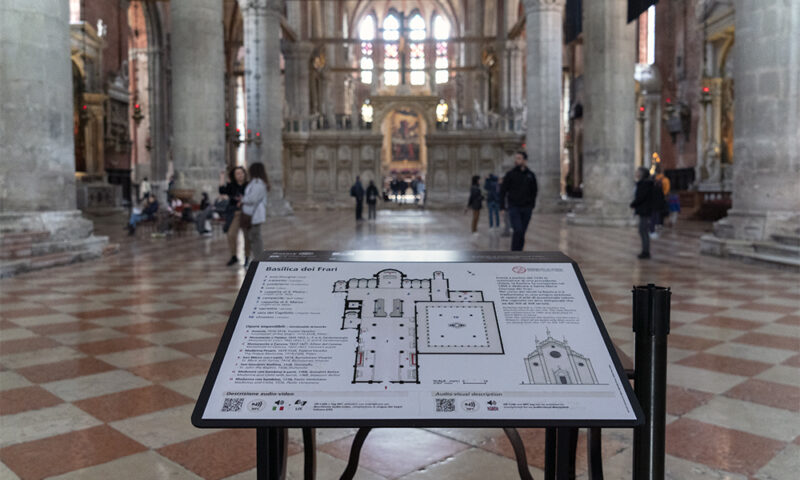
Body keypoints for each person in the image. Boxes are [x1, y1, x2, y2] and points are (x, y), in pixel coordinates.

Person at [500, 151, 538, 251]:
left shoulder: (531, 175)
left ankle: (519, 252)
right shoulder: (510, 174)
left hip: (527, 208)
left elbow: (534, 191)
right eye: (516, 158)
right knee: (518, 229)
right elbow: (503, 191)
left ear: (524, 160)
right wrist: (502, 206)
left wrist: (531, 205)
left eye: (519, 158)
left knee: (522, 232)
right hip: (514, 207)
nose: (516, 160)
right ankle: (514, 252)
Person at [240, 162, 269, 268]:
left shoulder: (258, 183)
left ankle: (259, 260)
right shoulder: (255, 182)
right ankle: (256, 259)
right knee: (252, 238)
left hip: (254, 215)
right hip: (251, 214)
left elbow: (252, 198)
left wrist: (242, 199)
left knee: (256, 238)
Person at [219, 166, 248, 266]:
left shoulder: (248, 185)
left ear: (244, 174)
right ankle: (233, 256)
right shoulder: (232, 186)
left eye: (241, 173)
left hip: (246, 213)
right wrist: (222, 177)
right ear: (234, 176)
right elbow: (222, 190)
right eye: (237, 174)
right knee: (231, 234)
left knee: (247, 235)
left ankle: (247, 256)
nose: (240, 175)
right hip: (235, 213)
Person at [630, 167, 657, 259]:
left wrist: (633, 204)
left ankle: (646, 252)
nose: (636, 173)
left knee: (643, 231)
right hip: (644, 210)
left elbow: (641, 197)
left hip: (645, 211)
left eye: (637, 172)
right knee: (642, 231)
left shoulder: (644, 184)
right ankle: (645, 250)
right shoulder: (646, 183)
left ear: (641, 174)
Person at [649, 165, 670, 238]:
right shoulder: (665, 179)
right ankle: (659, 224)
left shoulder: (652, 178)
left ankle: (654, 226)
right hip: (661, 198)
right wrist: (664, 196)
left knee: (654, 214)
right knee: (659, 213)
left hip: (653, 199)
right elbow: (666, 190)